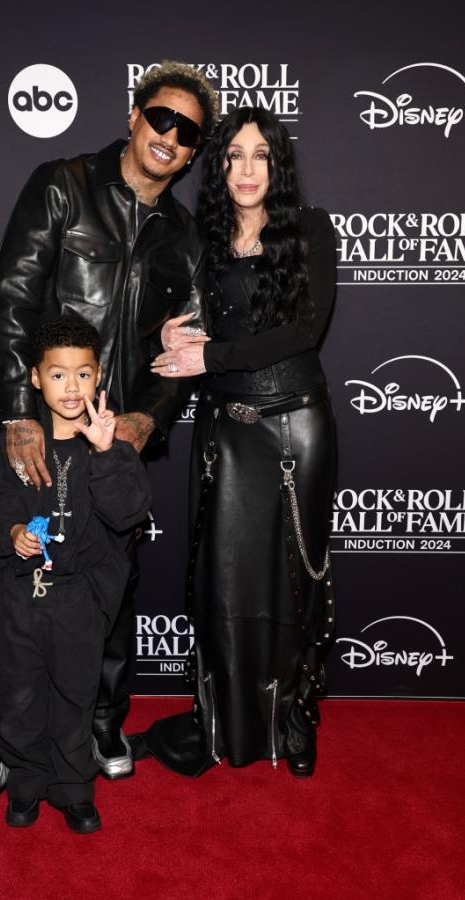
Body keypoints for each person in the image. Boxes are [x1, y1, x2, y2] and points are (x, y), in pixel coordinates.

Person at [0, 60, 219, 805]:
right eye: (161, 119)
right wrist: (17, 411)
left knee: (108, 588)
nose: (171, 137)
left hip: (111, 442)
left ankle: (101, 722)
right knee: (16, 587)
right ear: (134, 116)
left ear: (196, 151)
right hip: (36, 433)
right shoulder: (62, 185)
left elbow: (185, 350)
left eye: (188, 132)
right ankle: (2, 740)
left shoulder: (185, 236)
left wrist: (149, 416)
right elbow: (14, 302)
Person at [141, 107, 337, 776]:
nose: (247, 170)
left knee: (293, 583)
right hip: (226, 431)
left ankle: (294, 716)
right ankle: (222, 717)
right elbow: (186, 322)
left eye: (261, 156)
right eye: (234, 156)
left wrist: (210, 356)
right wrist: (173, 335)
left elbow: (302, 332)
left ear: (278, 165)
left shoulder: (310, 230)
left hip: (294, 428)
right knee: (224, 584)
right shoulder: (204, 237)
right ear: (218, 166)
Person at [0, 315, 151, 832]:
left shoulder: (111, 444)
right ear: (34, 378)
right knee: (20, 697)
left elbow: (128, 514)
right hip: (19, 600)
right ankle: (27, 785)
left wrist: (106, 452)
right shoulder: (16, 445)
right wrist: (12, 535)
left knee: (77, 698)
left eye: (83, 374)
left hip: (80, 601)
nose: (71, 387)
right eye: (57, 375)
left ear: (99, 376)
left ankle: (75, 789)